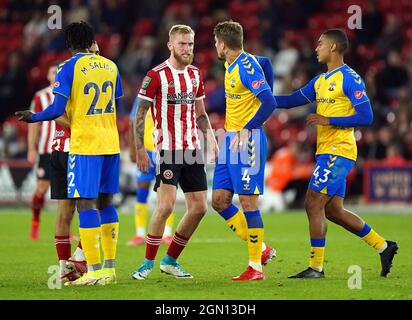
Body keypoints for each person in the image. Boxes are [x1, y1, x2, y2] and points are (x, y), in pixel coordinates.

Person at [274, 29, 398, 278]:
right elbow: (290, 100)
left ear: (333, 47)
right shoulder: (321, 81)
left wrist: (329, 119)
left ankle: (316, 268)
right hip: (326, 151)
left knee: (312, 202)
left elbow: (367, 115)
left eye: (320, 43)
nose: (316, 48)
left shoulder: (350, 78)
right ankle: (384, 246)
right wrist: (261, 98)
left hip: (339, 150)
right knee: (333, 211)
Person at [16, 22, 124, 286]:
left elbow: (55, 110)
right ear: (91, 41)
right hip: (110, 142)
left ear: (68, 44)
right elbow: (116, 101)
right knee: (106, 203)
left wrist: (33, 117)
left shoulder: (67, 67)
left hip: (85, 145)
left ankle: (95, 270)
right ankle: (109, 269)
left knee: (85, 205)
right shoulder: (110, 65)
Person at [131, 24, 218, 280]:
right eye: (182, 43)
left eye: (190, 43)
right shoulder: (156, 75)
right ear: (170, 45)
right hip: (168, 149)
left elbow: (200, 113)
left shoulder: (195, 74)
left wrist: (211, 140)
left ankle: (170, 260)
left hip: (191, 150)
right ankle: (147, 263)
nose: (187, 48)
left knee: (200, 208)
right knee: (166, 206)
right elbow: (140, 114)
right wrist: (139, 150)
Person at [211, 21, 277, 281]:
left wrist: (248, 128)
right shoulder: (234, 63)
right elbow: (268, 64)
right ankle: (262, 249)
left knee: (248, 202)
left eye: (216, 42)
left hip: (247, 140)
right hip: (230, 140)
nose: (215, 46)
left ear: (224, 44)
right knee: (219, 201)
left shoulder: (246, 67)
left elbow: (269, 101)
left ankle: (255, 268)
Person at [127, 96, 175, 246]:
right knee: (142, 190)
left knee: (167, 191)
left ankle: (167, 233)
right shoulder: (142, 98)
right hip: (147, 151)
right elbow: (133, 122)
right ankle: (140, 234)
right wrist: (133, 148)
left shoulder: (170, 95)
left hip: (166, 150)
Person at [26, 63, 56, 240]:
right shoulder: (40, 96)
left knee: (67, 193)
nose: (56, 74)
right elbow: (33, 125)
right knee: (42, 189)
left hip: (65, 149)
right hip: (46, 150)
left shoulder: (70, 93)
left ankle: (66, 231)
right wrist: (31, 148)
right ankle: (35, 223)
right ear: (48, 76)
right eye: (53, 71)